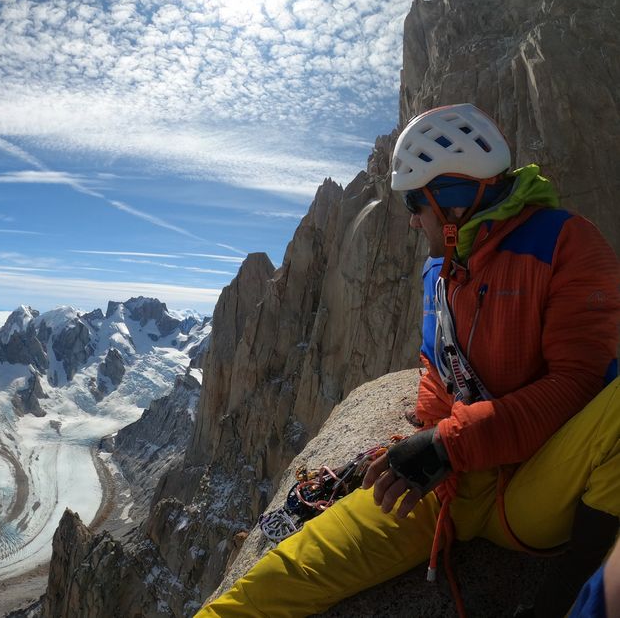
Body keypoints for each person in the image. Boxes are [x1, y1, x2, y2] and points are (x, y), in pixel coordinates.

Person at [197, 103, 620, 617]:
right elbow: (438, 368)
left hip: (536, 489)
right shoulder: (439, 272)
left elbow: (578, 384)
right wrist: (423, 440)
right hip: (448, 487)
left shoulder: (567, 243)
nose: (411, 219)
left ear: (450, 201)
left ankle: (571, 597)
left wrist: (445, 445)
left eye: (414, 205)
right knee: (269, 588)